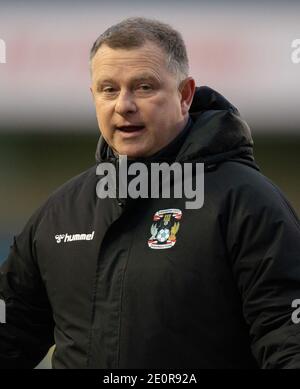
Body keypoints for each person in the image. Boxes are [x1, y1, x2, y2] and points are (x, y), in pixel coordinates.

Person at [1, 17, 300, 369]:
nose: (123, 105)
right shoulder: (60, 213)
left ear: (185, 94)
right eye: (108, 89)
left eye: (143, 87)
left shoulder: (247, 203)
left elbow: (287, 341)